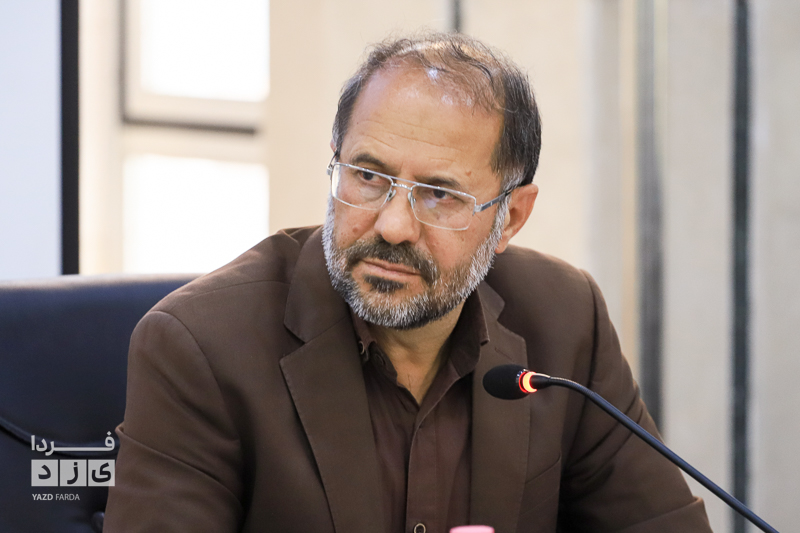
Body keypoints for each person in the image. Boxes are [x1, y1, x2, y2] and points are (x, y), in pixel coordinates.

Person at [104, 33, 712, 532]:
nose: (392, 226)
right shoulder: (200, 347)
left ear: (510, 218)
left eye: (440, 194)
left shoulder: (565, 320)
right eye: (368, 176)